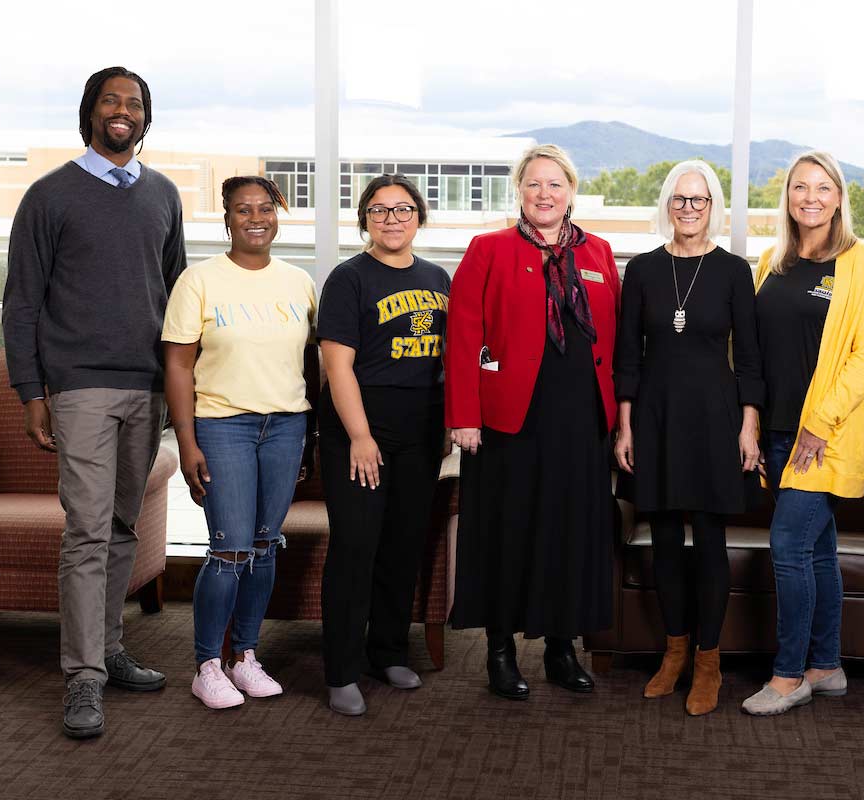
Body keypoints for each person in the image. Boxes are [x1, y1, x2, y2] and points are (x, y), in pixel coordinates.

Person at [1, 66, 187, 739]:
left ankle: (108, 648)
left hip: (147, 389)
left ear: (145, 117)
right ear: (90, 113)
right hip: (78, 387)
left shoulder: (164, 195)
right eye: (110, 100)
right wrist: (31, 391)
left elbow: (177, 299)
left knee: (120, 529)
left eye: (134, 102)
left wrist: (178, 388)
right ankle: (83, 678)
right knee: (85, 531)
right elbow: (21, 301)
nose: (122, 110)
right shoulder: (49, 197)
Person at [445, 144, 620, 700]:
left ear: (571, 192)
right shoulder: (488, 249)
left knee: (570, 532)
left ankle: (562, 650)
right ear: (519, 192)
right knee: (507, 532)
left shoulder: (599, 251)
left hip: (580, 419)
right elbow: (463, 340)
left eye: (555, 185)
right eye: (533, 184)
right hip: (505, 422)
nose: (544, 195)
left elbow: (615, 343)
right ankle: (500, 653)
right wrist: (464, 418)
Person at [613, 160, 762, 715]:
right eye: (680, 199)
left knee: (709, 540)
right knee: (666, 541)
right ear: (667, 206)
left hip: (715, 418)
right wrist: (625, 427)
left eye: (699, 200)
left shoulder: (732, 271)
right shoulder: (645, 270)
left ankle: (708, 661)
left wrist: (749, 426)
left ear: (713, 207)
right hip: (655, 417)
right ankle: (673, 652)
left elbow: (748, 358)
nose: (689, 209)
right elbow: (628, 356)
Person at [162, 176, 317, 710]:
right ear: (226, 218)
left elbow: (313, 362)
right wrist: (187, 441)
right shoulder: (198, 281)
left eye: (265, 208)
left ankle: (244, 657)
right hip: (222, 425)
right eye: (243, 209)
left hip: (287, 424)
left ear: (277, 215)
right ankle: (207, 664)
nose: (256, 217)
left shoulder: (299, 282)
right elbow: (178, 365)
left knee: (265, 546)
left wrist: (312, 438)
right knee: (228, 549)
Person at [741, 151, 864, 716]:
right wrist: (751, 423)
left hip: (821, 437)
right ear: (788, 197)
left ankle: (789, 675)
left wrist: (817, 425)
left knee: (788, 547)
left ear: (839, 196)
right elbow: (750, 350)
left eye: (822, 187)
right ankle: (827, 665)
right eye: (800, 187)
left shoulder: (859, 262)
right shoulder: (770, 261)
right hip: (776, 432)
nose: (810, 197)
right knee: (819, 550)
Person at [318, 175, 450, 716]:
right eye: (379, 210)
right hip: (361, 431)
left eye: (402, 209)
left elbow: (446, 362)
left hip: (419, 432)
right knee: (356, 547)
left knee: (403, 544)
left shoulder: (439, 277)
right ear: (365, 220)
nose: (392, 219)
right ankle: (341, 670)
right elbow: (337, 365)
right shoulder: (348, 279)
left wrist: (445, 426)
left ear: (419, 216)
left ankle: (388, 650)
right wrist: (359, 436)